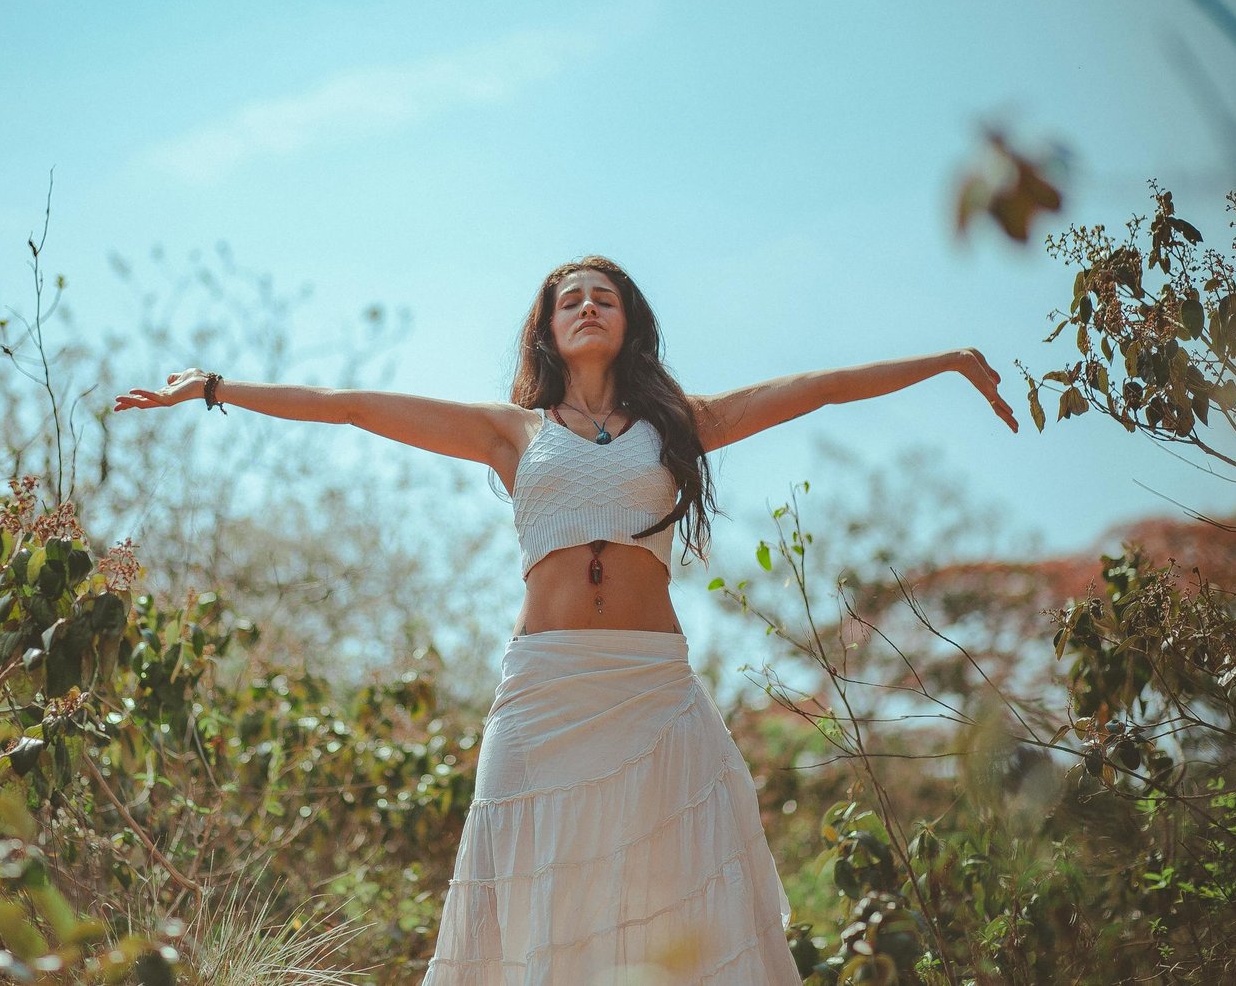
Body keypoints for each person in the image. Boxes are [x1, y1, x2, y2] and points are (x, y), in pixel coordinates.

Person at [113, 255, 1018, 985]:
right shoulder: (511, 431)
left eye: (605, 297)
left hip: (650, 688)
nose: (587, 307)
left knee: (673, 895)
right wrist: (216, 387)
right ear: (547, 327)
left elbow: (817, 387)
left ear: (630, 321)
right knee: (525, 892)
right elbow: (351, 407)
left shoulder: (680, 424)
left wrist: (941, 361)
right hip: (544, 691)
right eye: (570, 299)